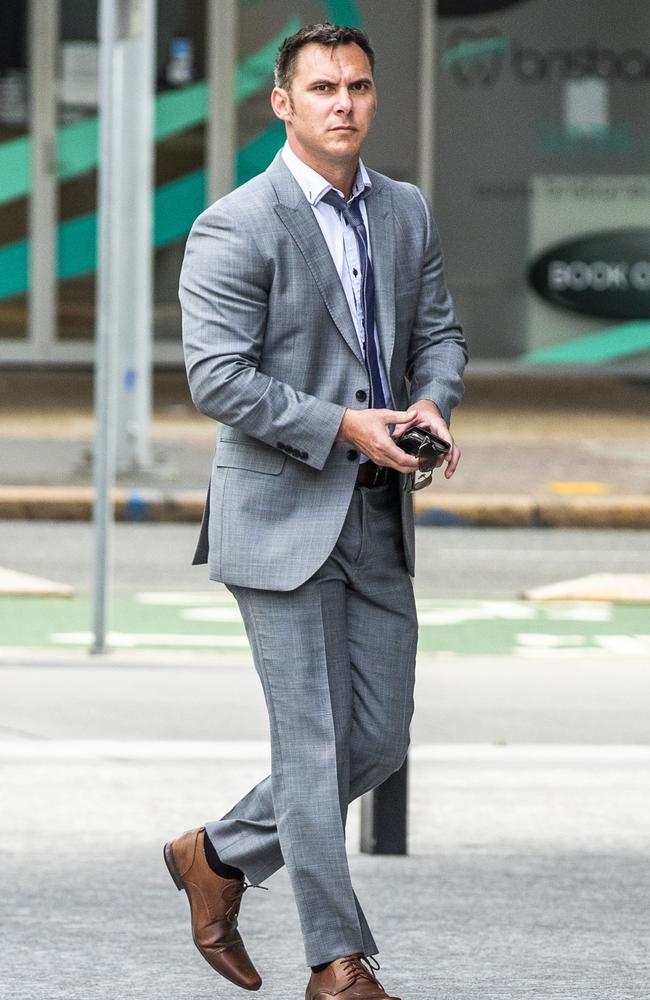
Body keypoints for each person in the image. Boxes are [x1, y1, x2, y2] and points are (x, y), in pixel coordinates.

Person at [165, 22, 467, 1000]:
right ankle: (339, 962)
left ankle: (214, 853)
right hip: (277, 518)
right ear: (282, 104)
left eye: (359, 87)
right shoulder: (235, 224)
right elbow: (217, 379)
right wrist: (343, 425)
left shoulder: (406, 211)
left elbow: (438, 333)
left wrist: (429, 403)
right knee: (311, 747)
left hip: (379, 516)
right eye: (323, 88)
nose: (344, 103)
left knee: (375, 742)